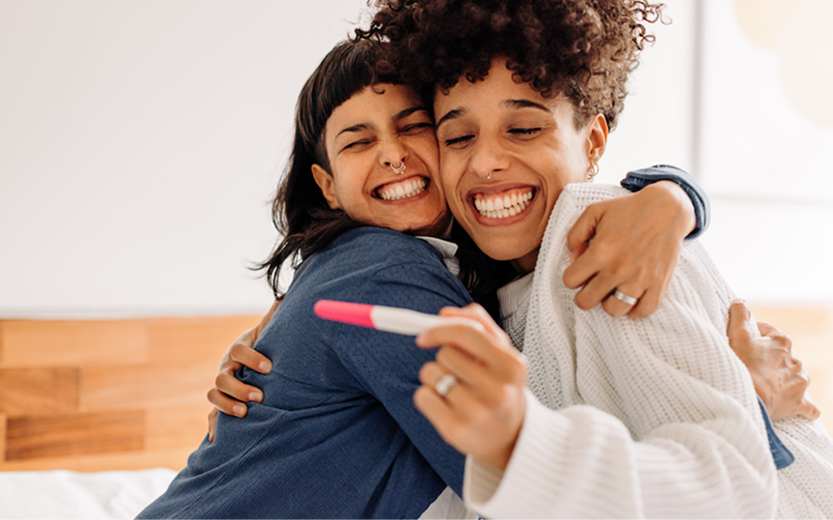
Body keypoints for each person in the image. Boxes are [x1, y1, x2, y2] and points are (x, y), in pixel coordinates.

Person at [353, 0, 833, 518]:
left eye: (524, 128)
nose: (488, 160)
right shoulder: (487, 281)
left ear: (593, 143)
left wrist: (521, 444)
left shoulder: (604, 241)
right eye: (458, 136)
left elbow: (732, 489)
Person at [137, 35, 715, 519]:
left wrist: (674, 194)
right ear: (328, 185)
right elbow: (522, 480)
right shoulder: (382, 269)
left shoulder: (437, 268)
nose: (391, 154)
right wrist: (740, 408)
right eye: (359, 142)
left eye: (413, 127)